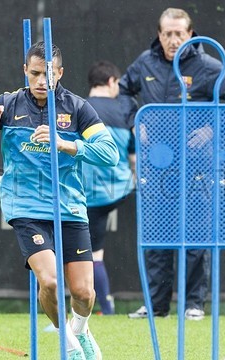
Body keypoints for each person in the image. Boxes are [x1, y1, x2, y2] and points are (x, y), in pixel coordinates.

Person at [0, 41, 118, 360]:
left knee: (84, 293)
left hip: (69, 206)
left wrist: (65, 145)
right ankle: (68, 346)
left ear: (61, 73)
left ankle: (80, 330)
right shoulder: (8, 104)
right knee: (51, 282)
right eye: (36, 73)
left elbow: (109, 154)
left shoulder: (78, 107)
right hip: (26, 207)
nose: (42, 81)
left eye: (49, 74)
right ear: (25, 71)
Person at [123, 7, 225, 321]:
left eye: (178, 34)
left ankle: (193, 305)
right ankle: (156, 306)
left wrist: (212, 129)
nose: (173, 40)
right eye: (167, 33)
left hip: (197, 168)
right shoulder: (144, 62)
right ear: (159, 34)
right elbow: (122, 92)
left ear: (190, 35)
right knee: (156, 237)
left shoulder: (209, 66)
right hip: (156, 168)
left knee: (196, 236)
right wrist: (134, 121)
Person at [82, 60, 136, 315]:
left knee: (85, 255)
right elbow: (134, 158)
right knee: (93, 254)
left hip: (87, 196)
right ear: (112, 82)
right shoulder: (125, 109)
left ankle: (101, 308)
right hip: (121, 191)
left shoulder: (77, 108)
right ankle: (105, 307)